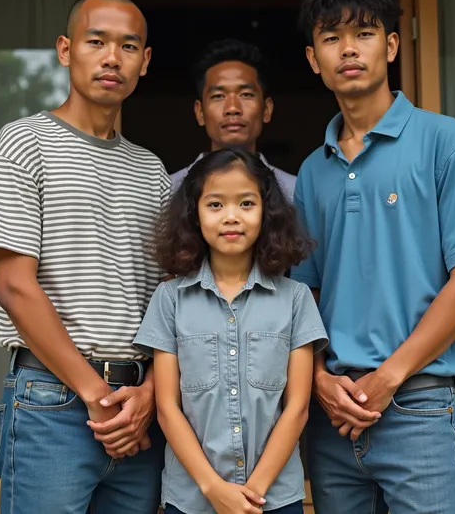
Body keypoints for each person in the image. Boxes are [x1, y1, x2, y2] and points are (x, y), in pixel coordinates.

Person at [291, 0, 455, 514]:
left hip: (417, 406)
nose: (348, 48)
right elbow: (306, 298)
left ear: (391, 45)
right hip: (334, 416)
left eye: (364, 33)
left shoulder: (445, 140)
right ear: (313, 59)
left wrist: (389, 377)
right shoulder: (311, 171)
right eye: (330, 37)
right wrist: (319, 379)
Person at [0, 0, 170, 513]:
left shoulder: (152, 172)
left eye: (129, 46)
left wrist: (151, 393)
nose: (112, 57)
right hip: (54, 401)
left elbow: (173, 301)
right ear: (66, 50)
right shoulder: (24, 142)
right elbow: (12, 285)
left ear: (145, 61)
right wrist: (96, 395)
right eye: (97, 42)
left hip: (137, 409)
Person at [134, 149, 328, 514]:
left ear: (266, 212)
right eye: (215, 205)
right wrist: (214, 489)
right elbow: (166, 407)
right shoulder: (169, 299)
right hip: (192, 498)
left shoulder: (296, 298)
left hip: (273, 498)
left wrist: (251, 492)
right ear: (195, 214)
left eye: (246, 203)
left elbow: (297, 407)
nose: (231, 217)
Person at [170, 39, 296, 201]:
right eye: (218, 96)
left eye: (246, 95)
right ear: (200, 112)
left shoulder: (295, 193)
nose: (232, 108)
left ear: (266, 109)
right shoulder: (170, 192)